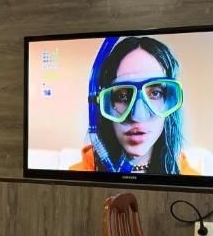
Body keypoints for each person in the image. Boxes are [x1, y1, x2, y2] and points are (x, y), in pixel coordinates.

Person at [70, 35, 200, 175]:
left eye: (155, 93)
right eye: (122, 96)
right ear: (104, 104)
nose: (138, 116)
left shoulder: (190, 181)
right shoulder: (76, 179)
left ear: (170, 100)